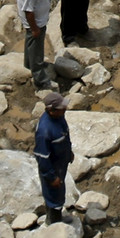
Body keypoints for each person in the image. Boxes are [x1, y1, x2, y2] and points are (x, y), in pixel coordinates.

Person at [34, 92, 74, 224]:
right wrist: (51, 177)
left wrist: (69, 153)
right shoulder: (44, 131)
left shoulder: (59, 117)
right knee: (53, 195)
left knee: (59, 192)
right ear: (51, 110)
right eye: (61, 108)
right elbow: (42, 158)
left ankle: (56, 217)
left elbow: (65, 136)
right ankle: (54, 222)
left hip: (61, 163)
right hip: (53, 168)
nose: (65, 109)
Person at [17, 0, 52, 89]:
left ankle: (29, 63)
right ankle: (40, 79)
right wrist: (35, 28)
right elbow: (28, 11)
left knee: (31, 43)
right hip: (36, 21)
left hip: (38, 18)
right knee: (37, 48)